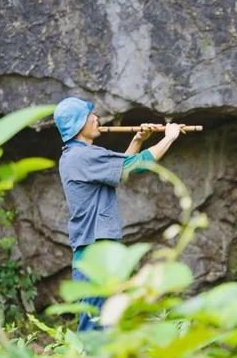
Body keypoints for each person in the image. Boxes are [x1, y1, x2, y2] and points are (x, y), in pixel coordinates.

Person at [54, 97, 181, 331]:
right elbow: (136, 165)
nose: (96, 118)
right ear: (78, 125)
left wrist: (137, 140)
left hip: (95, 249)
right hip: (95, 251)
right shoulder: (83, 156)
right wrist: (169, 137)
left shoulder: (77, 156)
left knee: (107, 322)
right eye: (89, 116)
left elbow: (120, 170)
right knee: (94, 325)